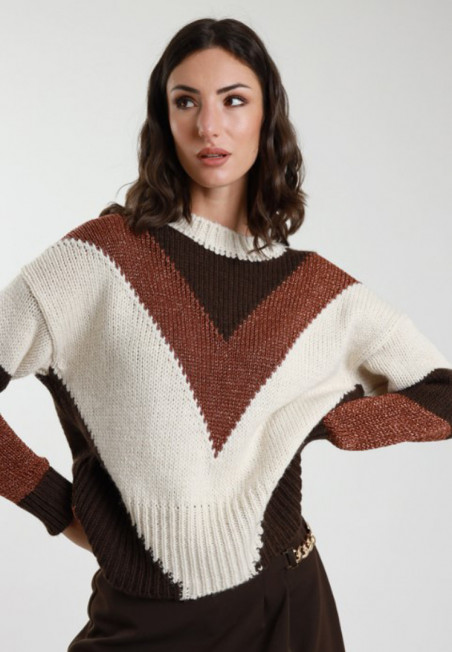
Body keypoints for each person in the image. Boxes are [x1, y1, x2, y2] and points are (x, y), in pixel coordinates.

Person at [0, 16, 451, 652]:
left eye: (234, 101)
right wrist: (53, 503)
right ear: (164, 120)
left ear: (267, 117)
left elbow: (443, 395)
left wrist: (322, 421)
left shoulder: (313, 291)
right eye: (186, 102)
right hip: (141, 617)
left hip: (286, 604)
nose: (209, 127)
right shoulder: (98, 261)